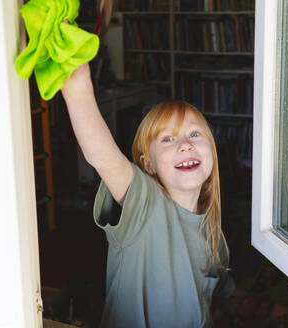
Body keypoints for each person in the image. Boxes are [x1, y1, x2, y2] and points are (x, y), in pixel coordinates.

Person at [61, 63, 235, 327]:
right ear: (148, 165)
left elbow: (220, 292)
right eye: (167, 139)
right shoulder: (144, 204)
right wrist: (78, 90)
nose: (185, 144)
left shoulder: (213, 230)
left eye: (195, 134)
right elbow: (103, 156)